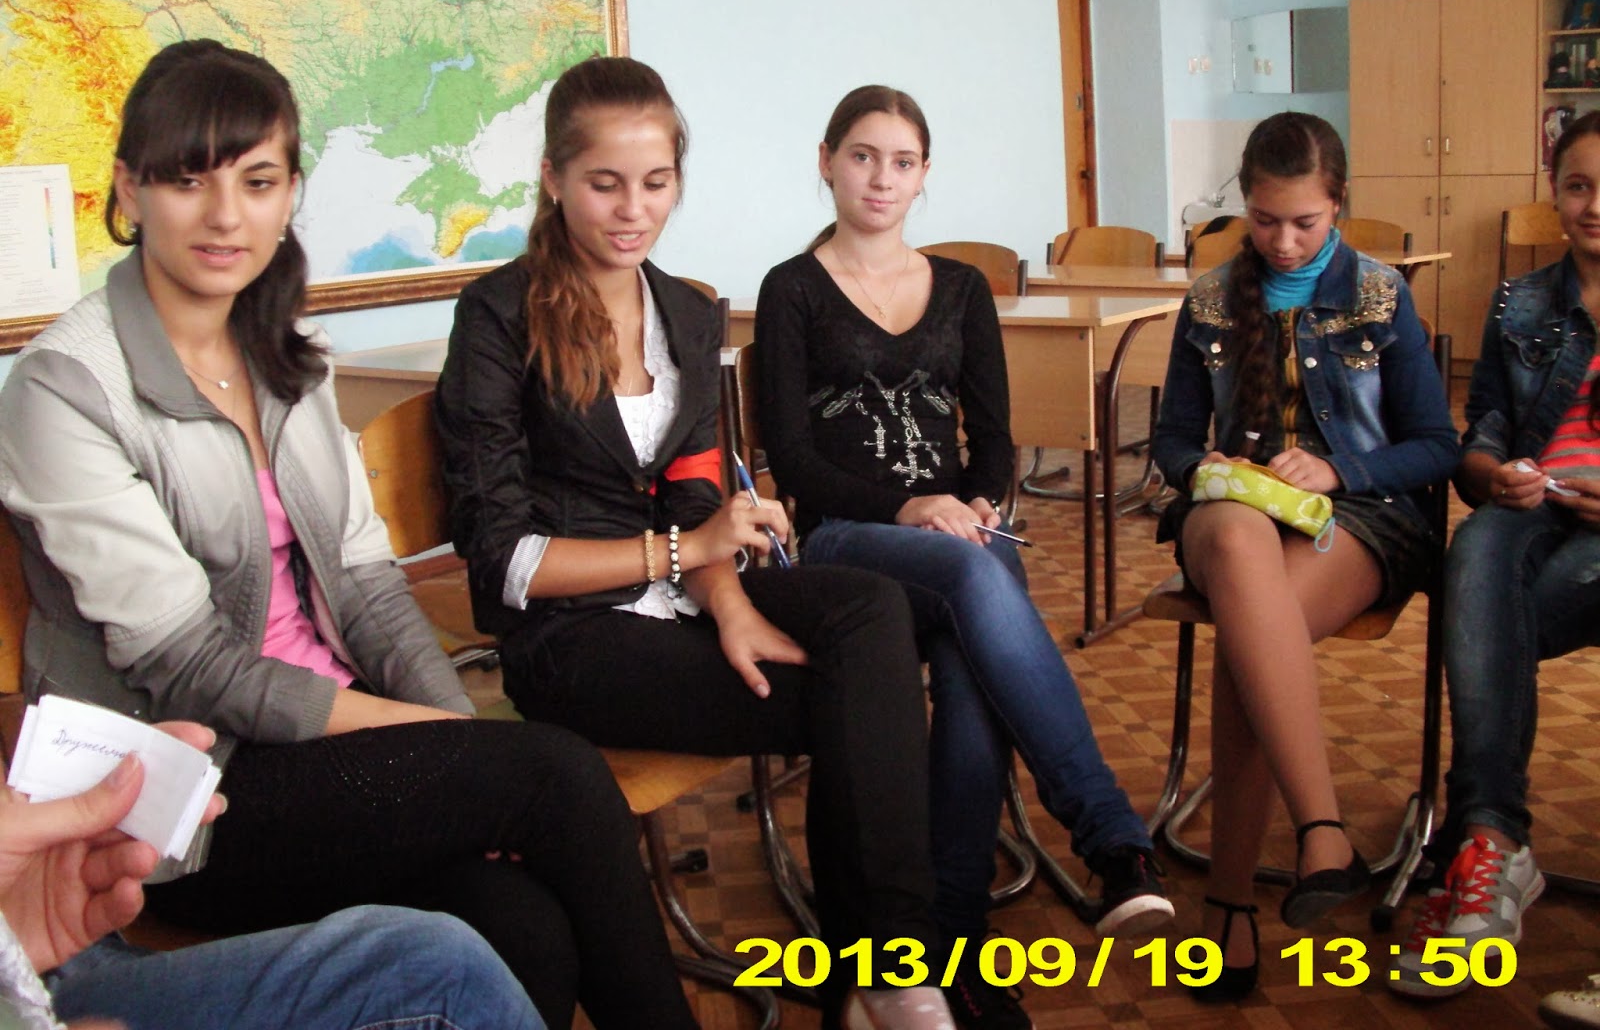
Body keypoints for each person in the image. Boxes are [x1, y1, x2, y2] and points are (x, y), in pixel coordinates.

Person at [0, 39, 699, 1030]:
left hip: (331, 752)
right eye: (189, 180)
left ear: (290, 193)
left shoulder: (290, 356)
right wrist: (445, 744)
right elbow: (190, 664)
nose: (226, 214)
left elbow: (369, 588)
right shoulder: (65, 387)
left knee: (522, 925)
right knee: (557, 774)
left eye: (257, 181)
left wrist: (451, 744)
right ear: (128, 189)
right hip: (190, 795)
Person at [434, 55, 956, 1030]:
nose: (633, 210)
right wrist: (681, 559)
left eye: (656, 181)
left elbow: (693, 489)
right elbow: (501, 559)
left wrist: (729, 603)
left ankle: (882, 971)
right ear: (552, 178)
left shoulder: (682, 308)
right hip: (569, 636)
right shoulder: (498, 315)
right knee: (858, 701)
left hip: (680, 597)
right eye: (605, 183)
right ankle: (883, 972)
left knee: (870, 610)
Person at [753, 85, 1173, 1027]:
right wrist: (913, 506)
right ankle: (1107, 838)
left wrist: (977, 502)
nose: (881, 178)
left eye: (902, 162)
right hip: (846, 537)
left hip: (955, 535)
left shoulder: (962, 288)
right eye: (863, 156)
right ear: (826, 162)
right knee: (982, 575)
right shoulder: (791, 290)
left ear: (924, 176)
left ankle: (948, 935)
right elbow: (795, 461)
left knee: (969, 651)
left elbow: (992, 438)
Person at [1150, 111, 1459, 1000]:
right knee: (1236, 536)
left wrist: (1338, 469)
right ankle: (1321, 829)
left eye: (1305, 222)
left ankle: (1229, 904)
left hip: (1356, 518)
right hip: (1230, 517)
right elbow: (1172, 439)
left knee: (1251, 635)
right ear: (1244, 205)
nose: (1283, 242)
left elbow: (1436, 446)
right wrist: (1206, 469)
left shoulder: (1381, 296)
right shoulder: (1210, 297)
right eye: (1264, 220)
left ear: (1339, 205)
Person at [1390, 110, 1600, 1003]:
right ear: (1554, 193)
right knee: (1474, 550)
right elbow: (1482, 435)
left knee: (1486, 626)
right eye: (1579, 185)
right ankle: (1494, 842)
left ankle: (1483, 843)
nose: (1595, 205)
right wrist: (1491, 475)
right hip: (1535, 505)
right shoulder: (1522, 301)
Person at [0, 721, 541, 1030]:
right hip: (244, 750)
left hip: (40, 931)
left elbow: (372, 602)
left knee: (505, 902)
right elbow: (201, 663)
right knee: (441, 968)